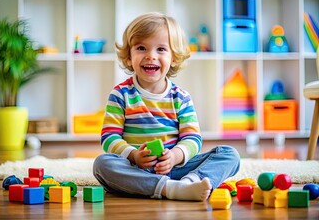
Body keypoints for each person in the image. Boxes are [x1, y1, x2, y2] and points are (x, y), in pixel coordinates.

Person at [93, 12, 240, 201]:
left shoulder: (181, 97)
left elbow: (193, 138)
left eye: (161, 49)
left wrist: (174, 157)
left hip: (176, 168)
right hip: (136, 170)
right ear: (129, 57)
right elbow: (109, 137)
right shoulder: (121, 94)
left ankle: (190, 182)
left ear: (174, 57)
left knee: (229, 155)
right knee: (102, 164)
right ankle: (170, 189)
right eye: (141, 48)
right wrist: (134, 155)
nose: (150, 56)